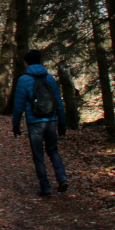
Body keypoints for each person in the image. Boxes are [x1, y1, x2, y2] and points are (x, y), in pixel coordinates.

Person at [12, 49, 68, 196]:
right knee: (53, 150)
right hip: (50, 120)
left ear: (26, 62)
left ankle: (46, 187)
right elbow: (58, 102)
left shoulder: (23, 80)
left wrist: (15, 124)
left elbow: (18, 106)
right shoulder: (49, 78)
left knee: (38, 155)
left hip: (34, 122)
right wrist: (62, 122)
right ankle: (62, 178)